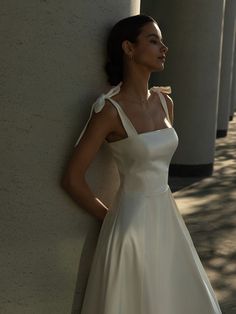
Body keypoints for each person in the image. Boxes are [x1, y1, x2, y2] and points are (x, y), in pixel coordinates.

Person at [62, 14, 222, 314]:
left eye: (161, 40)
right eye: (153, 40)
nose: (164, 47)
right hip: (130, 226)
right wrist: (111, 218)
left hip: (167, 218)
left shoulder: (165, 103)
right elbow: (72, 178)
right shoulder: (109, 111)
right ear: (128, 48)